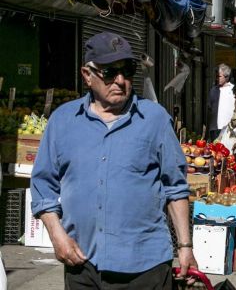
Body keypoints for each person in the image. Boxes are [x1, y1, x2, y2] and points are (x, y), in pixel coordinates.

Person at [31, 31, 197, 289]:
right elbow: (43, 187)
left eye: (127, 70)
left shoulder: (154, 119)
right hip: (82, 263)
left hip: (145, 266)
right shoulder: (62, 121)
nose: (120, 81)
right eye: (109, 72)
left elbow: (175, 187)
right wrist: (57, 235)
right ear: (87, 75)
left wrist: (185, 247)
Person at [207, 64, 235, 141]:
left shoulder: (234, 90)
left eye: (219, 76)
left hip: (229, 129)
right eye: (216, 76)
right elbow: (209, 107)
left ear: (227, 77)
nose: (217, 79)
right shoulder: (213, 90)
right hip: (215, 129)